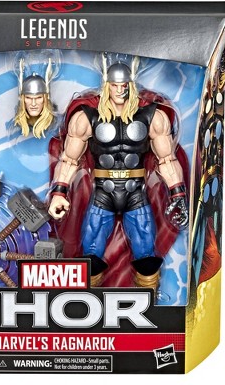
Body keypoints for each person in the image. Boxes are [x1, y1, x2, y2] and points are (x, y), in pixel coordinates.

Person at [48, 61, 189, 290]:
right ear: (107, 85)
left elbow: (167, 160)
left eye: (124, 85)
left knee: (147, 258)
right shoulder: (86, 117)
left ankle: (149, 302)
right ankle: (88, 301)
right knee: (91, 257)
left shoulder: (152, 117)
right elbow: (69, 160)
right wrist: (59, 192)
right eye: (115, 85)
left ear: (131, 85)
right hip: (103, 193)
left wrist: (178, 194)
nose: (120, 90)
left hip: (136, 192)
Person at [14, 59, 54, 139]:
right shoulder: (18, 123)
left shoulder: (54, 122)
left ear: (45, 99)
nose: (33, 104)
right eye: (28, 98)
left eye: (38, 97)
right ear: (23, 99)